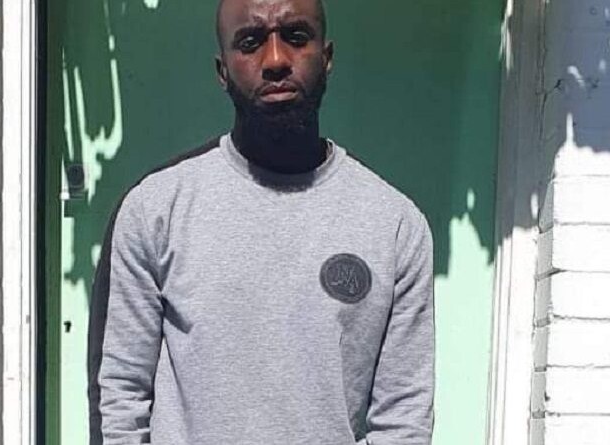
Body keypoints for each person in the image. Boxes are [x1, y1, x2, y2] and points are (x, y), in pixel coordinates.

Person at [88, 0, 435, 443]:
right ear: (222, 71)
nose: (274, 60)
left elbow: (403, 419)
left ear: (326, 58)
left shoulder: (395, 226)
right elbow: (120, 395)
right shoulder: (156, 209)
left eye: (296, 37)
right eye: (250, 42)